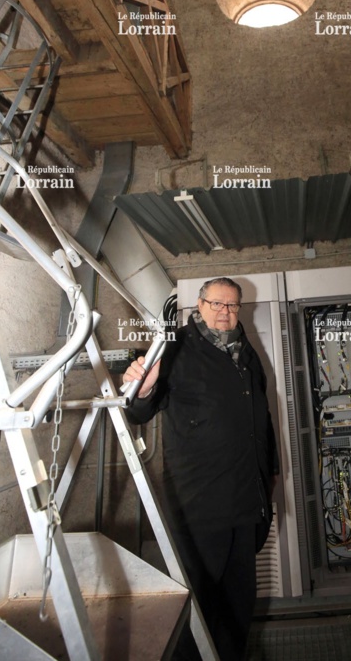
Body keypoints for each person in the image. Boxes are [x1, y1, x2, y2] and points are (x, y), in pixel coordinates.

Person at [123, 277, 278, 661]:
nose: (225, 313)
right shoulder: (176, 349)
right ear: (199, 304)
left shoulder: (247, 355)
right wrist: (140, 390)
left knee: (238, 609)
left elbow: (261, 420)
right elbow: (140, 410)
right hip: (200, 509)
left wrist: (269, 477)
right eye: (216, 304)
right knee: (197, 611)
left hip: (246, 504)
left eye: (232, 306)